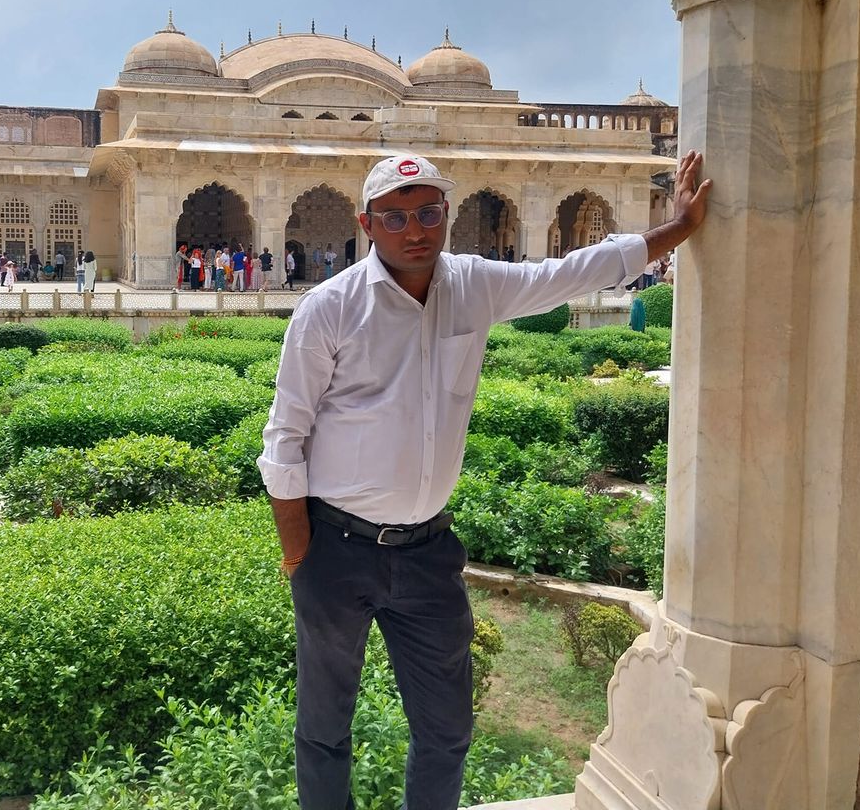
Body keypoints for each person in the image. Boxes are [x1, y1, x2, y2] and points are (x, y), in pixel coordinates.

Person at [257, 150, 710, 810]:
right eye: (396, 216)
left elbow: (565, 273)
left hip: (426, 554)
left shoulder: (472, 285)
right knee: (324, 730)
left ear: (447, 214)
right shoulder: (329, 309)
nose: (415, 229)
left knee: (446, 731)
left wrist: (674, 231)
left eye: (429, 212)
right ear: (368, 223)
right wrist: (300, 553)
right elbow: (284, 439)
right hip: (336, 549)